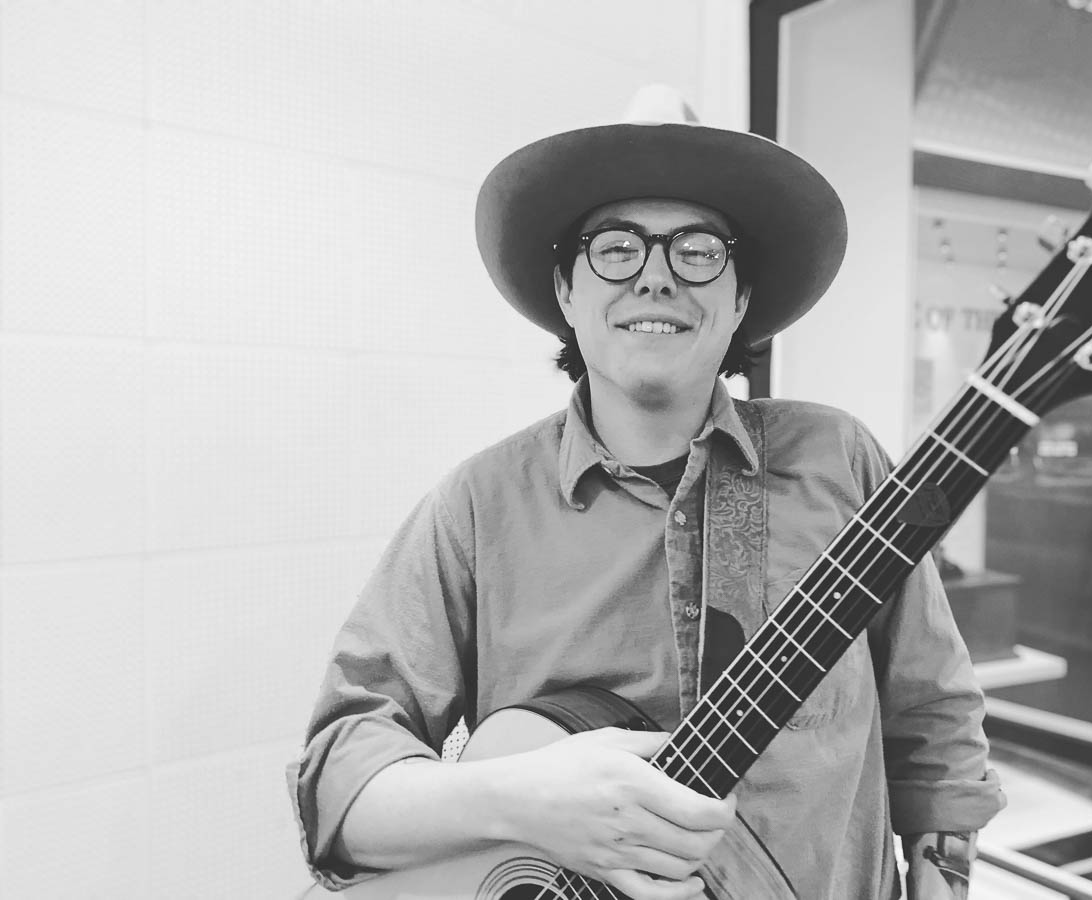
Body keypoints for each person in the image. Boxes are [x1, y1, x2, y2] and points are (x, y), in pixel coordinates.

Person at [287, 86, 1005, 900]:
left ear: (739, 301)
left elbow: (933, 711)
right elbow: (340, 776)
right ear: (566, 292)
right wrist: (524, 799)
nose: (656, 277)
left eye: (698, 250)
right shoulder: (478, 506)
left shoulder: (842, 460)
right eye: (616, 247)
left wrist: (946, 868)